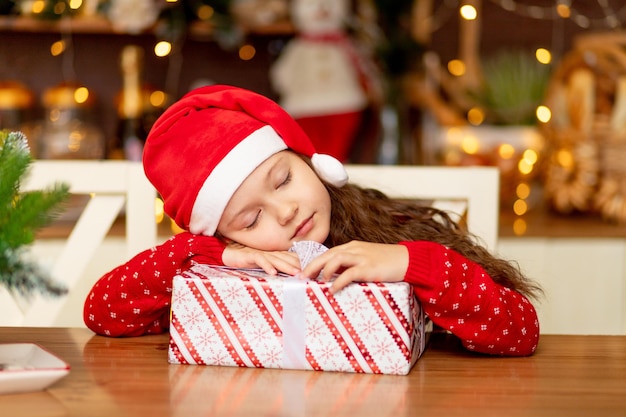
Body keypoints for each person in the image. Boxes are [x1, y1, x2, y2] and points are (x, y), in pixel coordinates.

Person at [84, 84, 542, 356]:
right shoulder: (218, 271)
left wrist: (408, 264)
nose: (285, 213)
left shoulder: (393, 230)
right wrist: (208, 253)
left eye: (282, 180)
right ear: (223, 234)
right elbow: (101, 313)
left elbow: (519, 332)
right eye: (250, 219)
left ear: (309, 162)